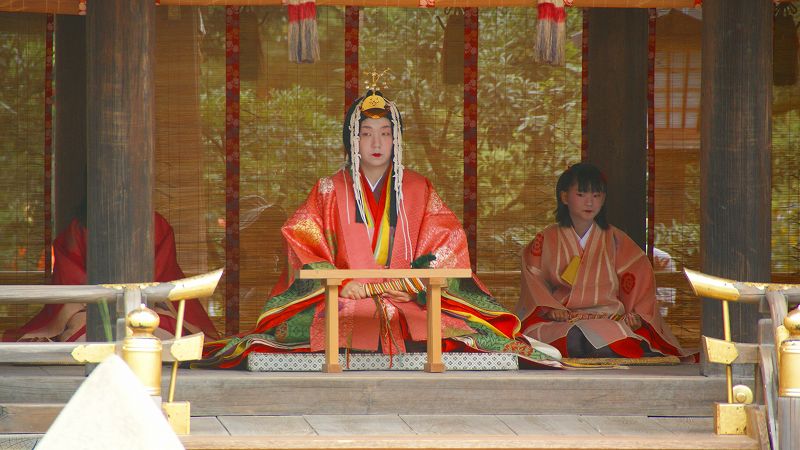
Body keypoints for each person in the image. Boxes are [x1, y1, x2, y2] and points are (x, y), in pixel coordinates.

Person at [199, 84, 560, 368]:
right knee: (284, 339)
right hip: (342, 297)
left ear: (396, 139)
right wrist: (343, 282)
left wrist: (415, 287)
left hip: (409, 298)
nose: (376, 143)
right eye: (366, 133)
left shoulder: (419, 188)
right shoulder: (328, 190)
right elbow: (300, 241)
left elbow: (448, 245)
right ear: (351, 139)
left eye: (385, 133)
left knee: (471, 337)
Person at [515, 163, 688, 359]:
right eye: (581, 195)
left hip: (608, 317)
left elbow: (638, 274)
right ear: (564, 197)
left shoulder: (616, 240)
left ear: (603, 199)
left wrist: (637, 315)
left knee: (603, 336)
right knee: (570, 338)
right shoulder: (545, 240)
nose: (589, 203)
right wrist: (550, 309)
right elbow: (533, 278)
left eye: (596, 196)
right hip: (561, 320)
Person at [2, 211, 219, 342]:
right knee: (82, 330)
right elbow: (71, 279)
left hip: (148, 307)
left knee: (165, 330)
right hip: (89, 310)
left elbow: (163, 275)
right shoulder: (82, 226)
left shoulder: (155, 223)